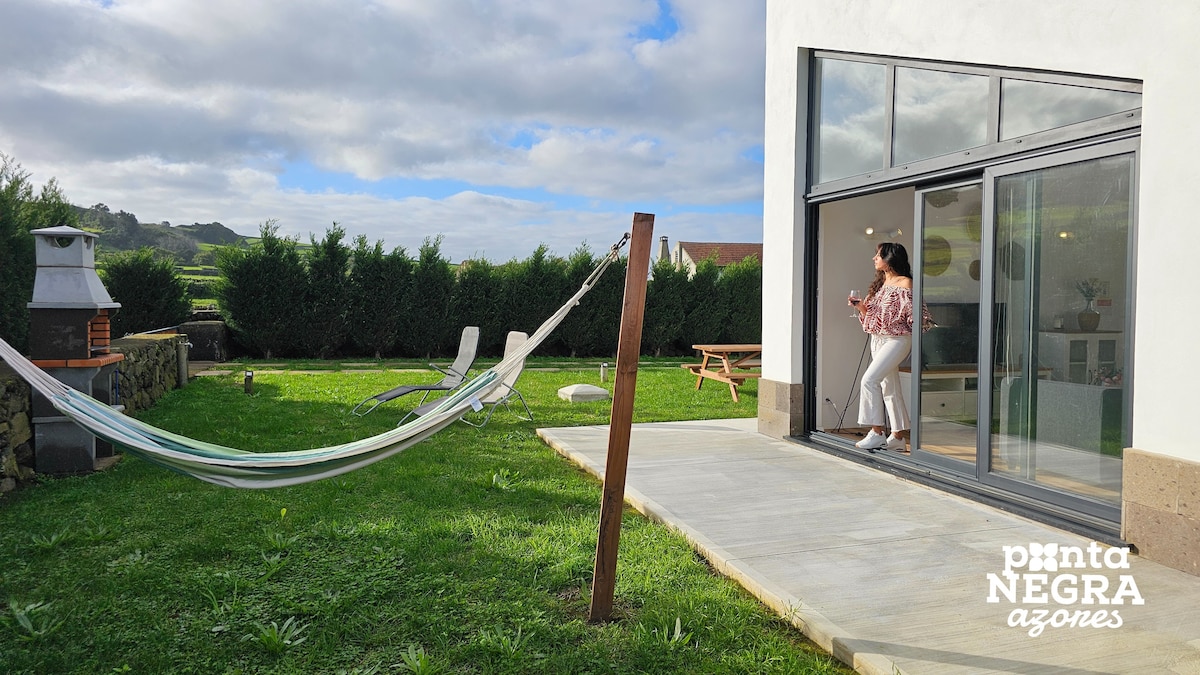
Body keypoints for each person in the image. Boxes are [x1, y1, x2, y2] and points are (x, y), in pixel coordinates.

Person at [848, 242, 932, 452]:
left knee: (869, 380)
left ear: (890, 259)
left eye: (878, 255)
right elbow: (873, 316)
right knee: (890, 387)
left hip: (897, 339)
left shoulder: (906, 283)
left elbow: (917, 314)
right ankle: (897, 437)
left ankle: (876, 432)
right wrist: (861, 308)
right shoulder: (881, 284)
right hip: (878, 339)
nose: (874, 258)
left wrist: (920, 325)